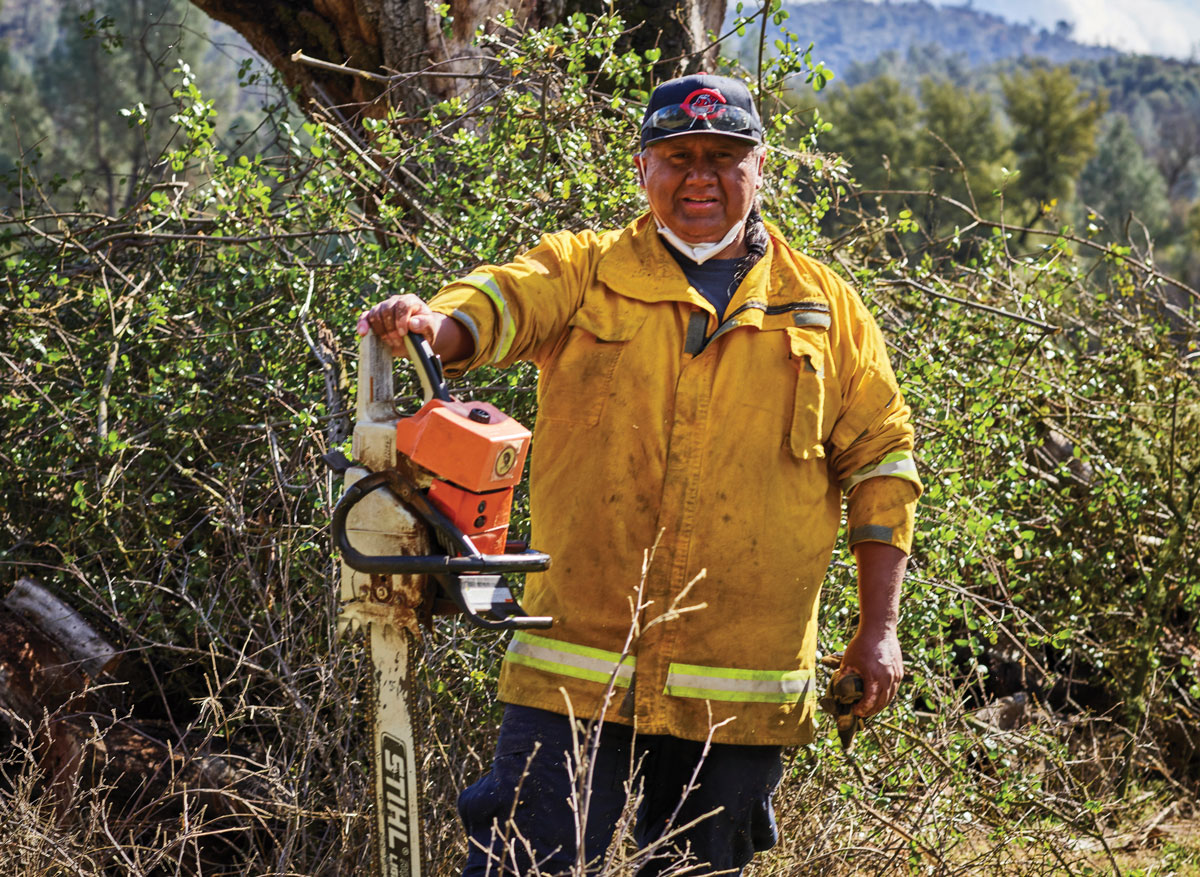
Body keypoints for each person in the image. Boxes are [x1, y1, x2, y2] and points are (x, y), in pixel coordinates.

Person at [359, 74, 921, 875]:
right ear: (642, 169)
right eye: (679, 156)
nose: (702, 176)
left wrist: (878, 628)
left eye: (724, 157)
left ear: (760, 168)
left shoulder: (825, 310)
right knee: (522, 860)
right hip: (576, 667)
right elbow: (501, 301)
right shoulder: (585, 269)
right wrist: (434, 326)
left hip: (741, 686)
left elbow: (883, 467)